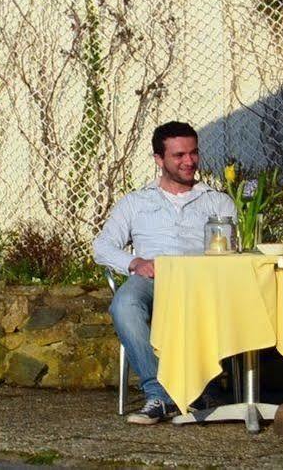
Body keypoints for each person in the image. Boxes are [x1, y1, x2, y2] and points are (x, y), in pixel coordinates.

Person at [92, 121, 236, 425]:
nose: (189, 162)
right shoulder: (136, 202)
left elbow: (236, 250)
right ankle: (160, 394)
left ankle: (202, 388)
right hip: (153, 279)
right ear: (159, 159)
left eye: (193, 153)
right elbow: (102, 247)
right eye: (179, 155)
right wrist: (135, 263)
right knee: (124, 304)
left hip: (203, 283)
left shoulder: (217, 200)